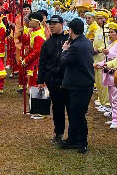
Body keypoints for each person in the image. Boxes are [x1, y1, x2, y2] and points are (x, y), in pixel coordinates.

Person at [57, 18, 96, 153]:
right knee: (73, 113)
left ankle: (82, 142)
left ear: (71, 30)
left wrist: (64, 50)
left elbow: (64, 61)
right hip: (81, 84)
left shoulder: (76, 46)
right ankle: (72, 139)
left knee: (78, 114)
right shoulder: (84, 42)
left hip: (80, 85)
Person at [38, 15, 67, 144]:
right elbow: (42, 62)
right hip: (52, 80)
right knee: (57, 107)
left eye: (55, 23)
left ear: (62, 24)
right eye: (50, 24)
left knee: (71, 107)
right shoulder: (47, 43)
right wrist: (40, 80)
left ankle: (72, 134)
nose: (52, 26)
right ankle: (58, 132)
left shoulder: (69, 40)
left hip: (67, 79)